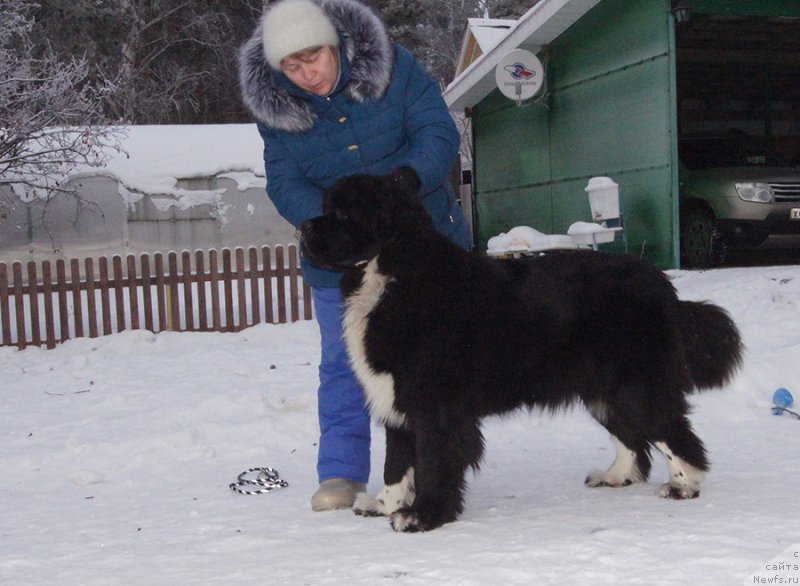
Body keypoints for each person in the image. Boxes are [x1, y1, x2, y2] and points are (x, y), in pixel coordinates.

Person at [238, 0, 471, 511]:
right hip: (339, 258)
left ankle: (436, 469)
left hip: (429, 245)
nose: (306, 75)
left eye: (313, 59)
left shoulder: (394, 66)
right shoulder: (277, 109)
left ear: (336, 45)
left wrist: (406, 183)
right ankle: (341, 474)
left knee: (440, 361)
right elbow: (283, 179)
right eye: (292, 67)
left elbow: (436, 130)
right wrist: (342, 218)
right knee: (345, 364)